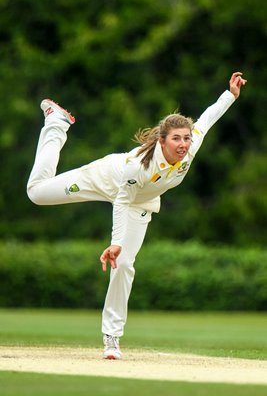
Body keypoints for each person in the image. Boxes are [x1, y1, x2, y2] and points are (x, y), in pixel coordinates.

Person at [27, 72, 247, 359]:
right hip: (104, 179)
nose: (183, 144)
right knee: (36, 193)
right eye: (176, 139)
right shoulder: (138, 166)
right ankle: (57, 124)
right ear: (162, 141)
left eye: (185, 139)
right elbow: (121, 200)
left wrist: (230, 94)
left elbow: (207, 118)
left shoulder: (190, 146)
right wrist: (115, 240)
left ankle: (111, 339)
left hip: (140, 205)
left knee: (125, 264)